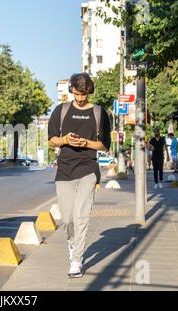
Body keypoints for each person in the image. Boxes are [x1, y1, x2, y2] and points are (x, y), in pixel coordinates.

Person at [48, 73, 111, 278]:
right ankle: (72, 244)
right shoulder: (62, 110)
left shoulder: (99, 113)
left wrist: (86, 144)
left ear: (89, 91)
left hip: (88, 168)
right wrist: (65, 139)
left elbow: (105, 146)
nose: (80, 98)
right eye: (77, 94)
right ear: (72, 91)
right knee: (67, 219)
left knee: (81, 215)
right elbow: (52, 139)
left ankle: (76, 261)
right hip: (65, 168)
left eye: (83, 94)